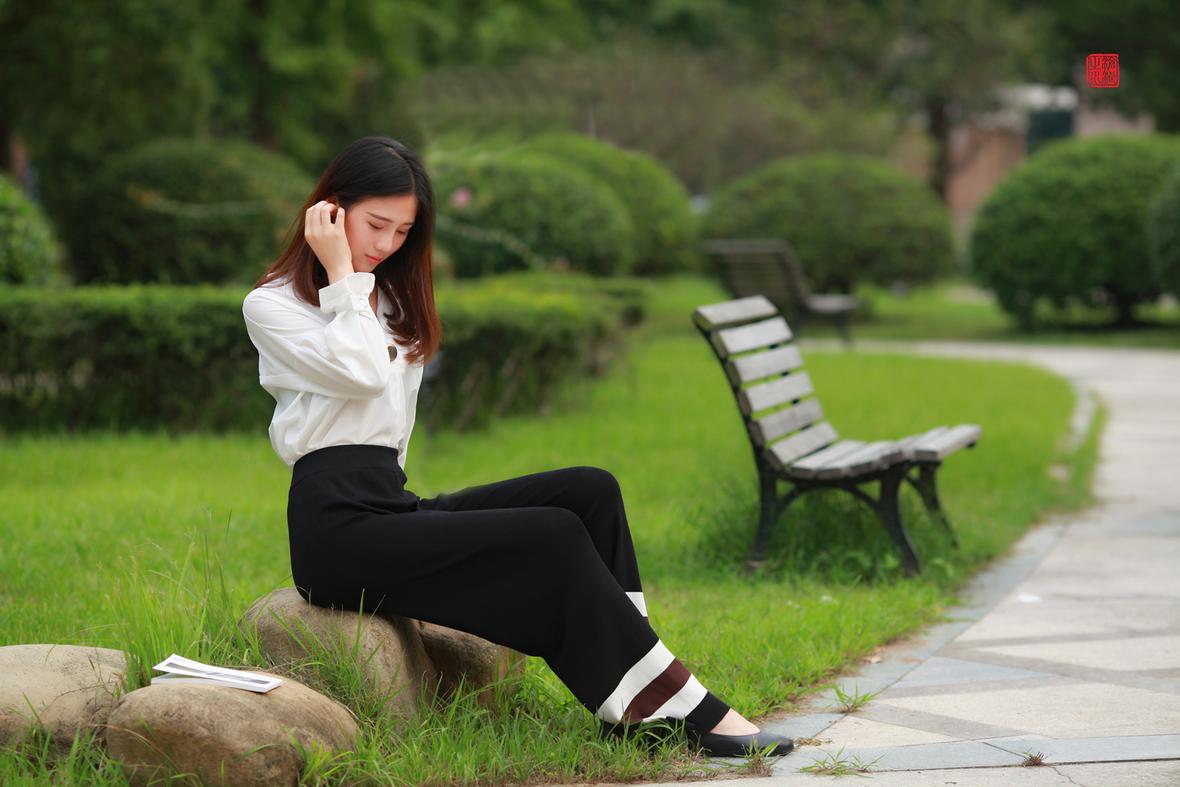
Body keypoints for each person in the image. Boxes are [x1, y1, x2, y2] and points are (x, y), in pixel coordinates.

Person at [241, 135, 794, 759]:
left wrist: (358, 286)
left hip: (388, 502)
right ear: (330, 211)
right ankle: (677, 712)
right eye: (376, 225)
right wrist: (343, 275)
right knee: (550, 533)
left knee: (588, 492)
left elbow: (392, 424)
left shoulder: (384, 298)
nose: (387, 244)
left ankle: (638, 685)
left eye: (403, 231)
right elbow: (363, 375)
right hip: (336, 533)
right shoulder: (273, 306)